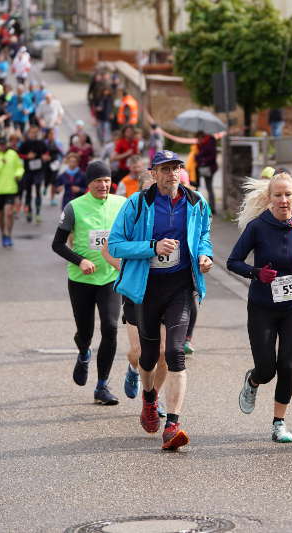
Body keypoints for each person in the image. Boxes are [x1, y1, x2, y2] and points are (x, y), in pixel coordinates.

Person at [108, 150, 214, 451]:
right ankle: (149, 398)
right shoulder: (137, 204)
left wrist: (205, 255)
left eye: (176, 168)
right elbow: (116, 245)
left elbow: (204, 234)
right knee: (149, 356)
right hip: (146, 288)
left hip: (180, 287)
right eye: (165, 169)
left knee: (176, 353)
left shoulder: (196, 202)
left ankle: (173, 424)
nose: (172, 174)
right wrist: (152, 247)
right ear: (153, 174)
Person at [228, 170, 292, 443]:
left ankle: (278, 423)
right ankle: (253, 381)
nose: (283, 200)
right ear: (269, 198)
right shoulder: (257, 226)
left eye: (288, 195)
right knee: (267, 369)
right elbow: (233, 261)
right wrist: (256, 273)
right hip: (262, 305)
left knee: (288, 366)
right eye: (278, 195)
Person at [51, 161, 126, 405]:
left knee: (111, 327)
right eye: (98, 181)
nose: (103, 185)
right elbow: (57, 244)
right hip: (81, 279)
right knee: (85, 332)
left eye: (106, 180)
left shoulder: (121, 204)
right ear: (89, 183)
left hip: (110, 277)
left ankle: (102, 385)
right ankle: (84, 353)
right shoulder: (74, 207)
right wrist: (80, 260)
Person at [105, 170, 169, 417]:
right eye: (149, 188)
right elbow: (108, 250)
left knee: (163, 352)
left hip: (164, 289)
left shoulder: (173, 215)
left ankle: (153, 399)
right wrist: (127, 268)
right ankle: (133, 369)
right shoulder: (132, 213)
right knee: (139, 353)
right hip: (136, 290)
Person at [18, 125, 49, 223]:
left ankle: (38, 213)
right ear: (28, 133)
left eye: (35, 133)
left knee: (38, 189)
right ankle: (29, 211)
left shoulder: (41, 143)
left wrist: (45, 157)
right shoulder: (25, 144)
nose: (34, 134)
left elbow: (47, 153)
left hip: (39, 171)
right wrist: (27, 156)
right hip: (28, 171)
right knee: (28, 192)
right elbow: (18, 154)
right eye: (32, 132)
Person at [194, 130, 217, 212]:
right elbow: (199, 154)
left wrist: (203, 160)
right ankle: (196, 205)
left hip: (209, 168)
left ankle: (212, 208)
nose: (197, 140)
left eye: (198, 138)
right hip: (201, 167)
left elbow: (212, 156)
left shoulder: (210, 143)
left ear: (202, 137)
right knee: (196, 186)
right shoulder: (201, 144)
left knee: (209, 187)